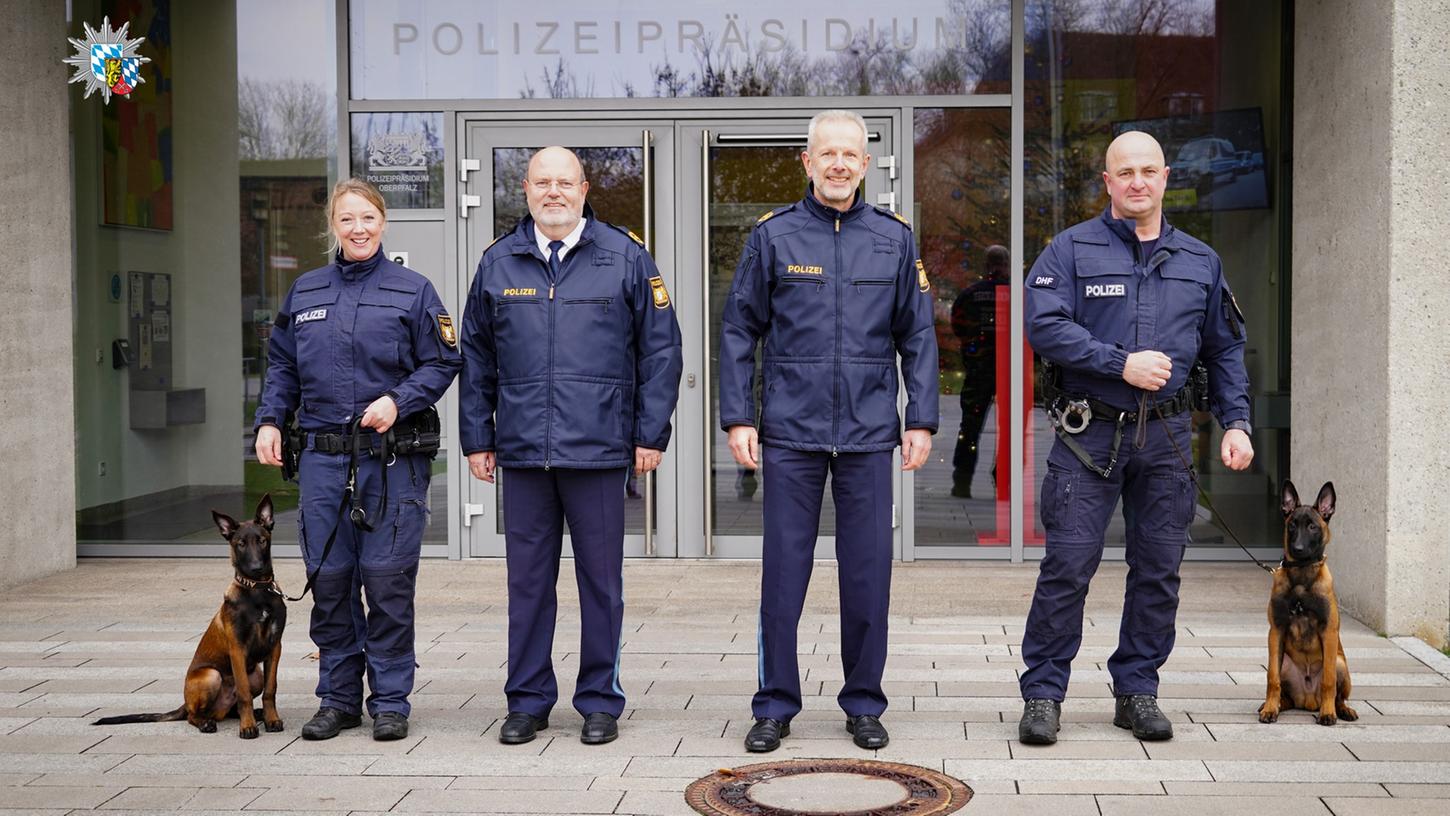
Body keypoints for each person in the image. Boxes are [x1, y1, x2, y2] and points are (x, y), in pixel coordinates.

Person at [1018, 131, 1253, 745]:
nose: (1138, 182)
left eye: (1149, 170)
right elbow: (1043, 325)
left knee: (1158, 569)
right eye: (1125, 172)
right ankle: (1044, 695)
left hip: (1170, 436)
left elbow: (1225, 348)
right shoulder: (1069, 251)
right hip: (1087, 435)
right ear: (1107, 181)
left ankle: (1137, 689)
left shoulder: (1200, 262)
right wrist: (1118, 362)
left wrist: (1237, 422)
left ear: (1166, 177)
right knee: (1068, 565)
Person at [719, 110, 939, 753]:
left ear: (866, 165)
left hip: (871, 436)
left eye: (851, 154)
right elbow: (739, 332)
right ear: (807, 162)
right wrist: (739, 416)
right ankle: (773, 704)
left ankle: (864, 702)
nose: (839, 164)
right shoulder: (774, 237)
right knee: (783, 576)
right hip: (790, 433)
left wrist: (920, 418)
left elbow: (917, 336)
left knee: (867, 574)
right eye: (828, 154)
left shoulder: (894, 240)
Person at [459, 146, 682, 746]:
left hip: (601, 451)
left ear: (585, 189)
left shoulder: (625, 257)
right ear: (525, 191)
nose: (553, 192)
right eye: (542, 183)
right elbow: (476, 358)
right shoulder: (499, 263)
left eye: (565, 182)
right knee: (527, 584)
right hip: (525, 454)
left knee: (601, 584)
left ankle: (600, 700)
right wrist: (478, 437)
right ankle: (527, 700)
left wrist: (648, 433)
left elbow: (661, 350)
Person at [254, 178, 461, 741]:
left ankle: (390, 701)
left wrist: (399, 401)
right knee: (331, 582)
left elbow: (443, 362)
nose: (359, 228)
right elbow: (282, 367)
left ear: (383, 221)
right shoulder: (305, 292)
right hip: (323, 462)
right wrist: (270, 420)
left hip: (391, 463)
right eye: (347, 219)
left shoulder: (413, 290)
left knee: (388, 583)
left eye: (367, 217)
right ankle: (338, 699)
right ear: (333, 227)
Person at [950, 244, 1010, 498]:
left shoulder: (971, 294)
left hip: (979, 370)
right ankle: (1003, 480)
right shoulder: (1017, 294)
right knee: (1010, 430)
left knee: (970, 428)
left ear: (986, 265)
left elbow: (958, 325)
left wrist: (973, 348)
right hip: (1010, 372)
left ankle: (962, 481)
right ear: (1006, 265)